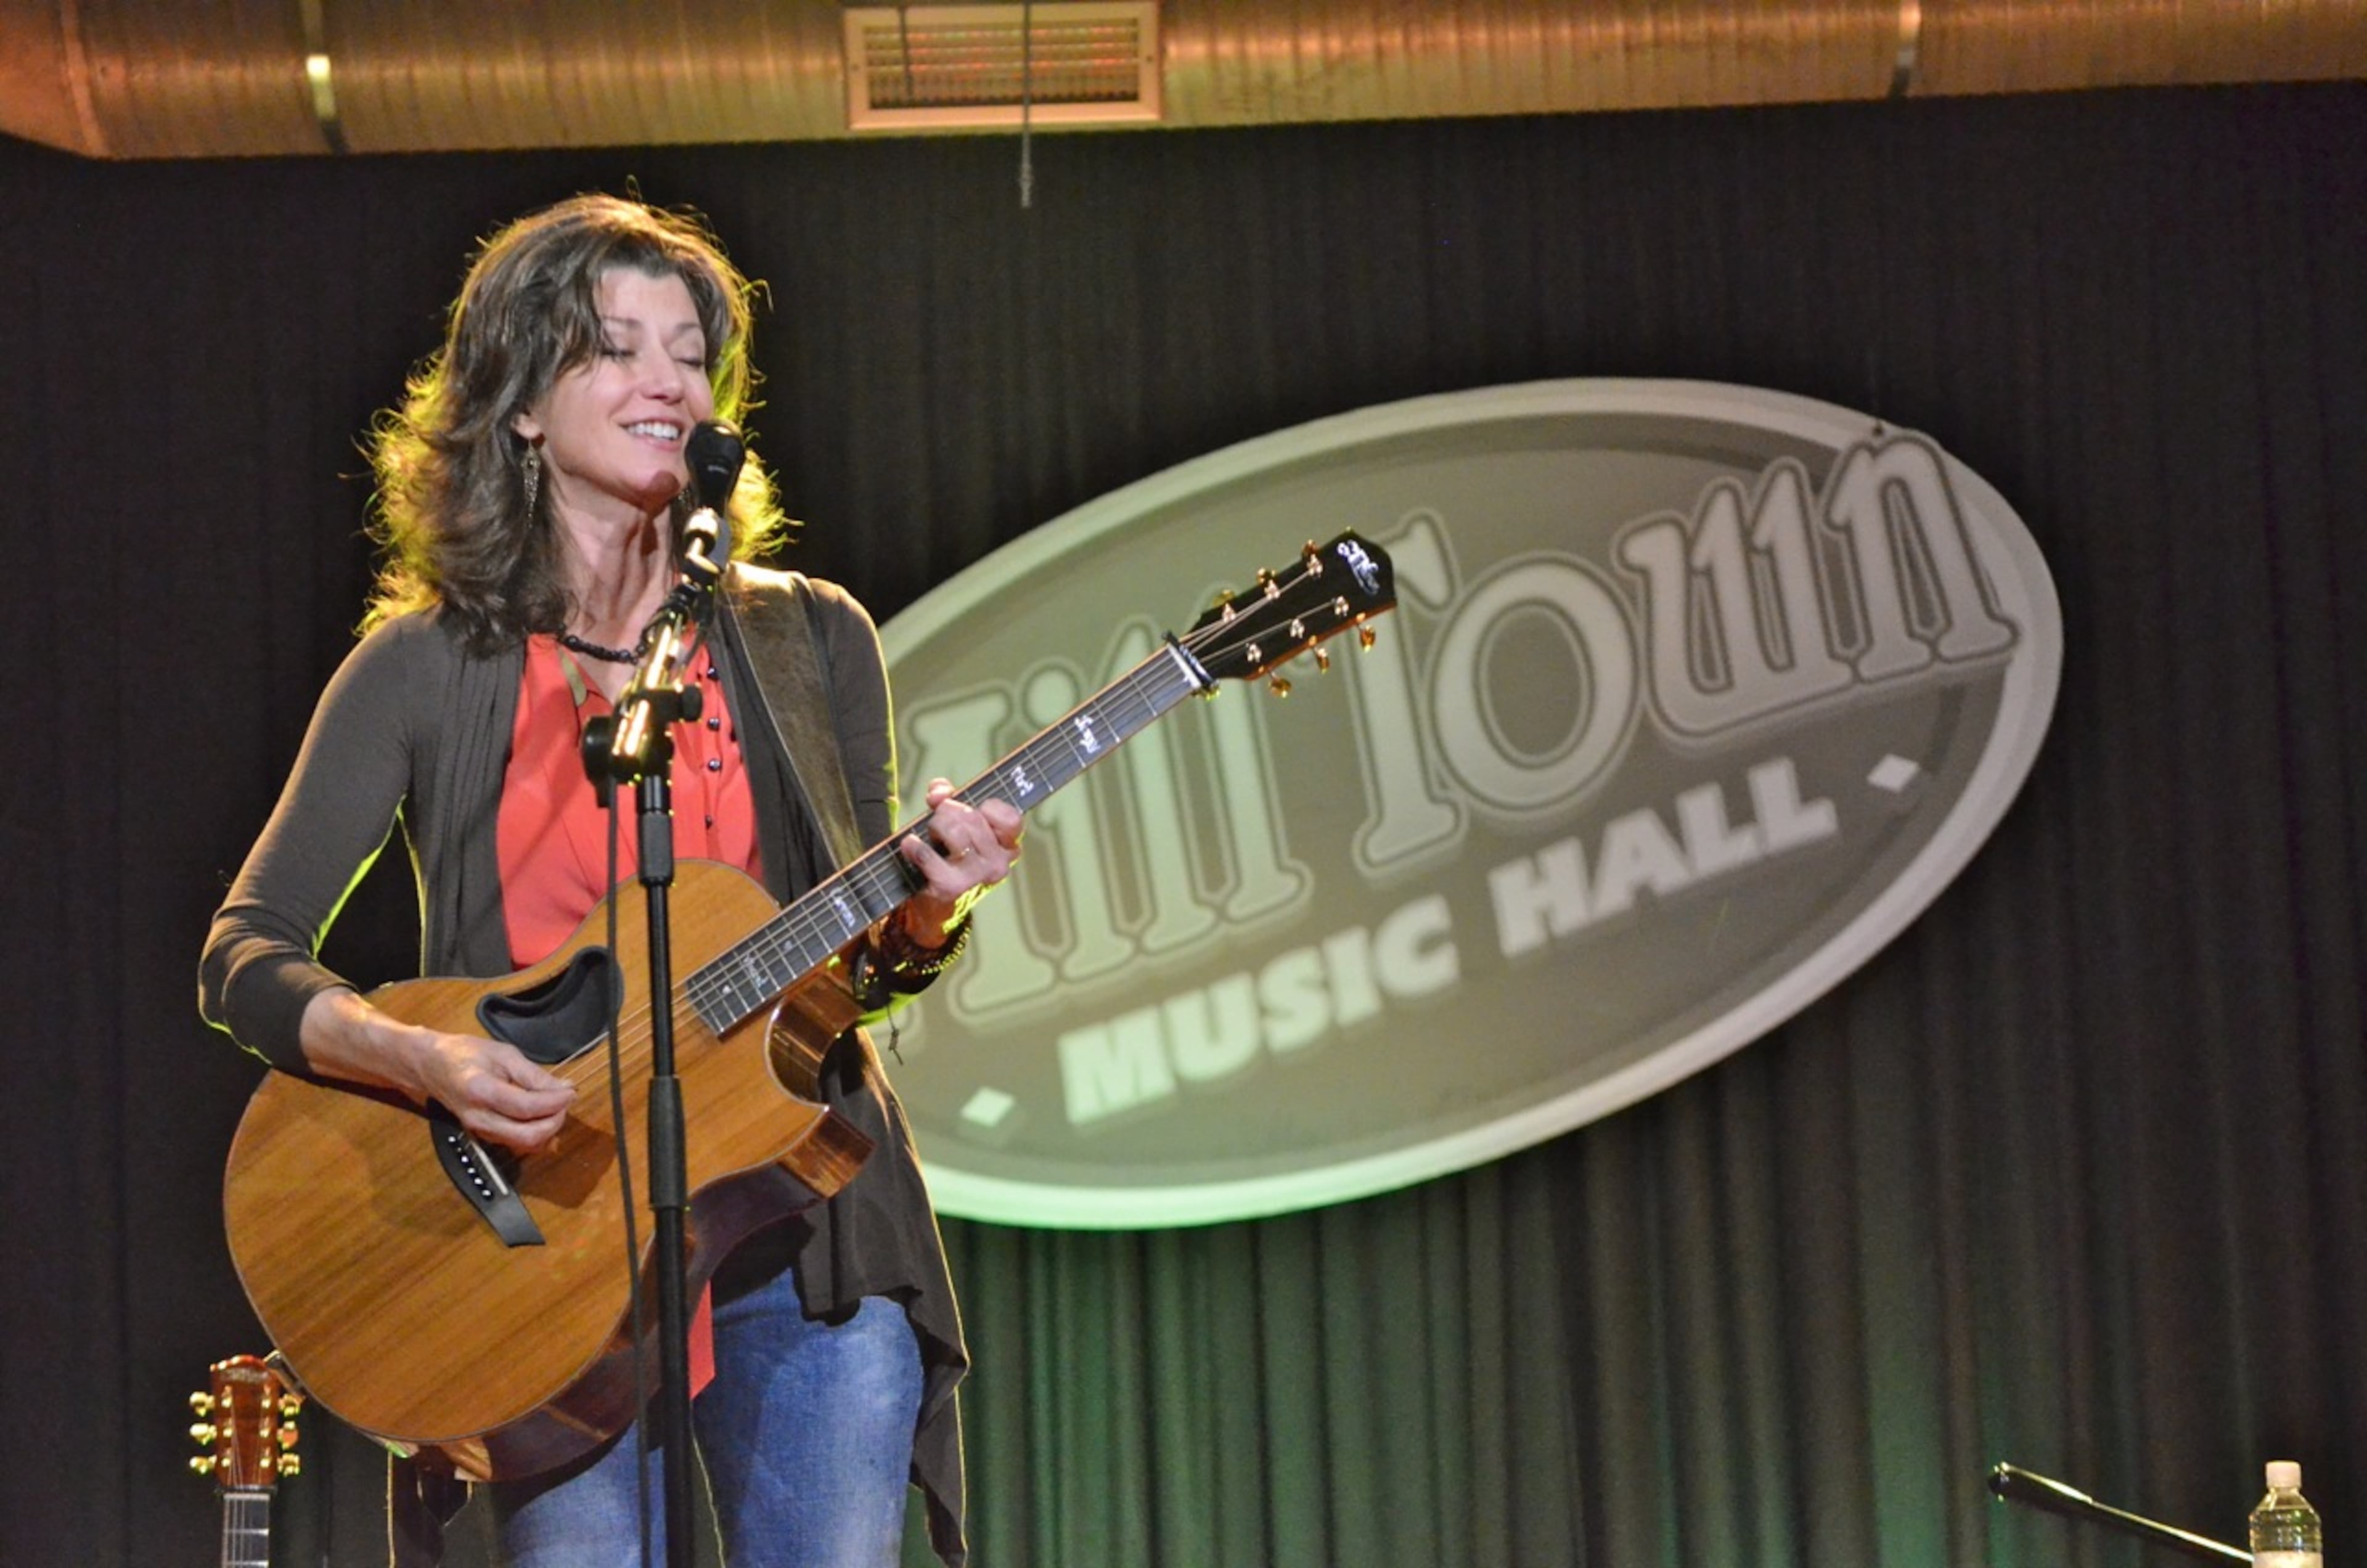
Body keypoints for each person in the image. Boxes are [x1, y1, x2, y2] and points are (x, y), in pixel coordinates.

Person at [198, 193, 1018, 1567]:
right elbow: (245, 952)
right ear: (521, 404)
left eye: (689, 353)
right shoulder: (422, 666)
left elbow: (850, 975)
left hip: (796, 1239)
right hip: (541, 1262)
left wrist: (938, 902)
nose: (667, 381)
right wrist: (423, 1063)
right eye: (614, 347)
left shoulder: (815, 640)